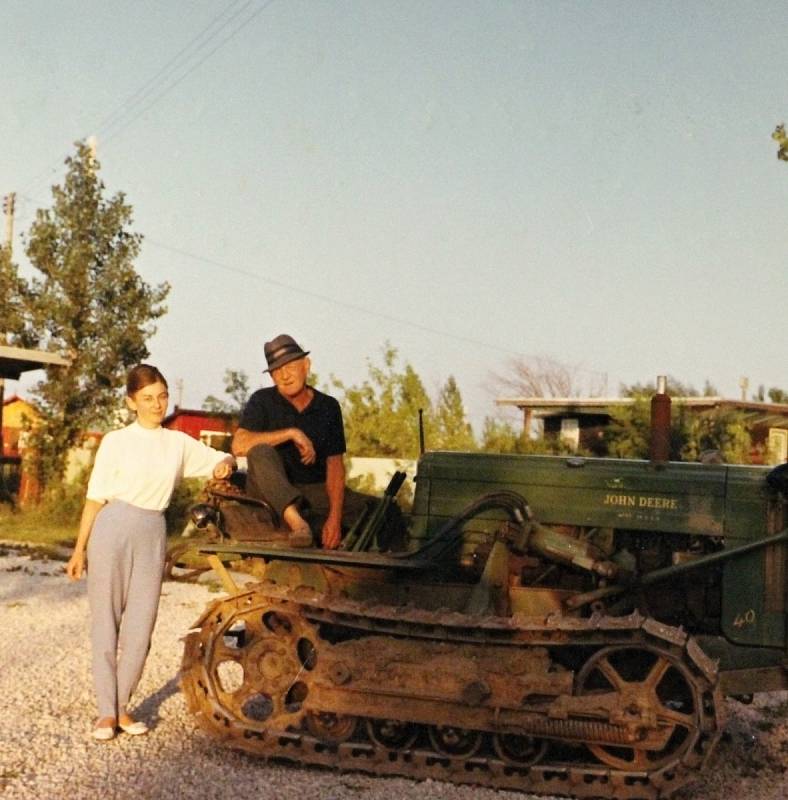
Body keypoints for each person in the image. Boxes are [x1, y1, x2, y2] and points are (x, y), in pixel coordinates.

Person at [66, 364, 235, 742]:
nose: (156, 404)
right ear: (131, 402)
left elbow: (220, 459)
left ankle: (123, 706)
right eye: (147, 398)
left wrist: (226, 465)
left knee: (142, 625)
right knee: (105, 621)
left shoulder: (176, 443)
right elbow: (94, 498)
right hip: (111, 526)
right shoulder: (116, 441)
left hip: (152, 530)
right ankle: (106, 713)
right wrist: (79, 550)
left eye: (161, 396)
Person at [232, 334, 371, 549]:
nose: (284, 375)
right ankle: (298, 525)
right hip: (270, 492)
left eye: (290, 366)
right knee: (260, 451)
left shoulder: (328, 407)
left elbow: (335, 465)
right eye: (277, 371)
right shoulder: (262, 401)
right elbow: (239, 445)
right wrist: (291, 433)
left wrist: (334, 518)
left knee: (380, 509)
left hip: (312, 492)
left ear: (306, 365)